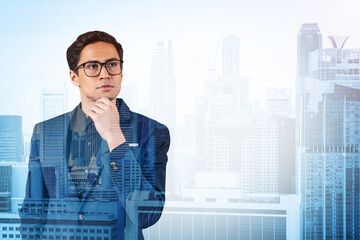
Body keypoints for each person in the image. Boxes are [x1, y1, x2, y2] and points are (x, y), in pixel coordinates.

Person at [20, 31, 170, 240]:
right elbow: (33, 210)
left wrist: (115, 138)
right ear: (74, 77)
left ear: (121, 73)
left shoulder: (152, 132)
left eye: (112, 65)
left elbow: (147, 214)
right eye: (92, 66)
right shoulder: (45, 131)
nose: (104, 74)